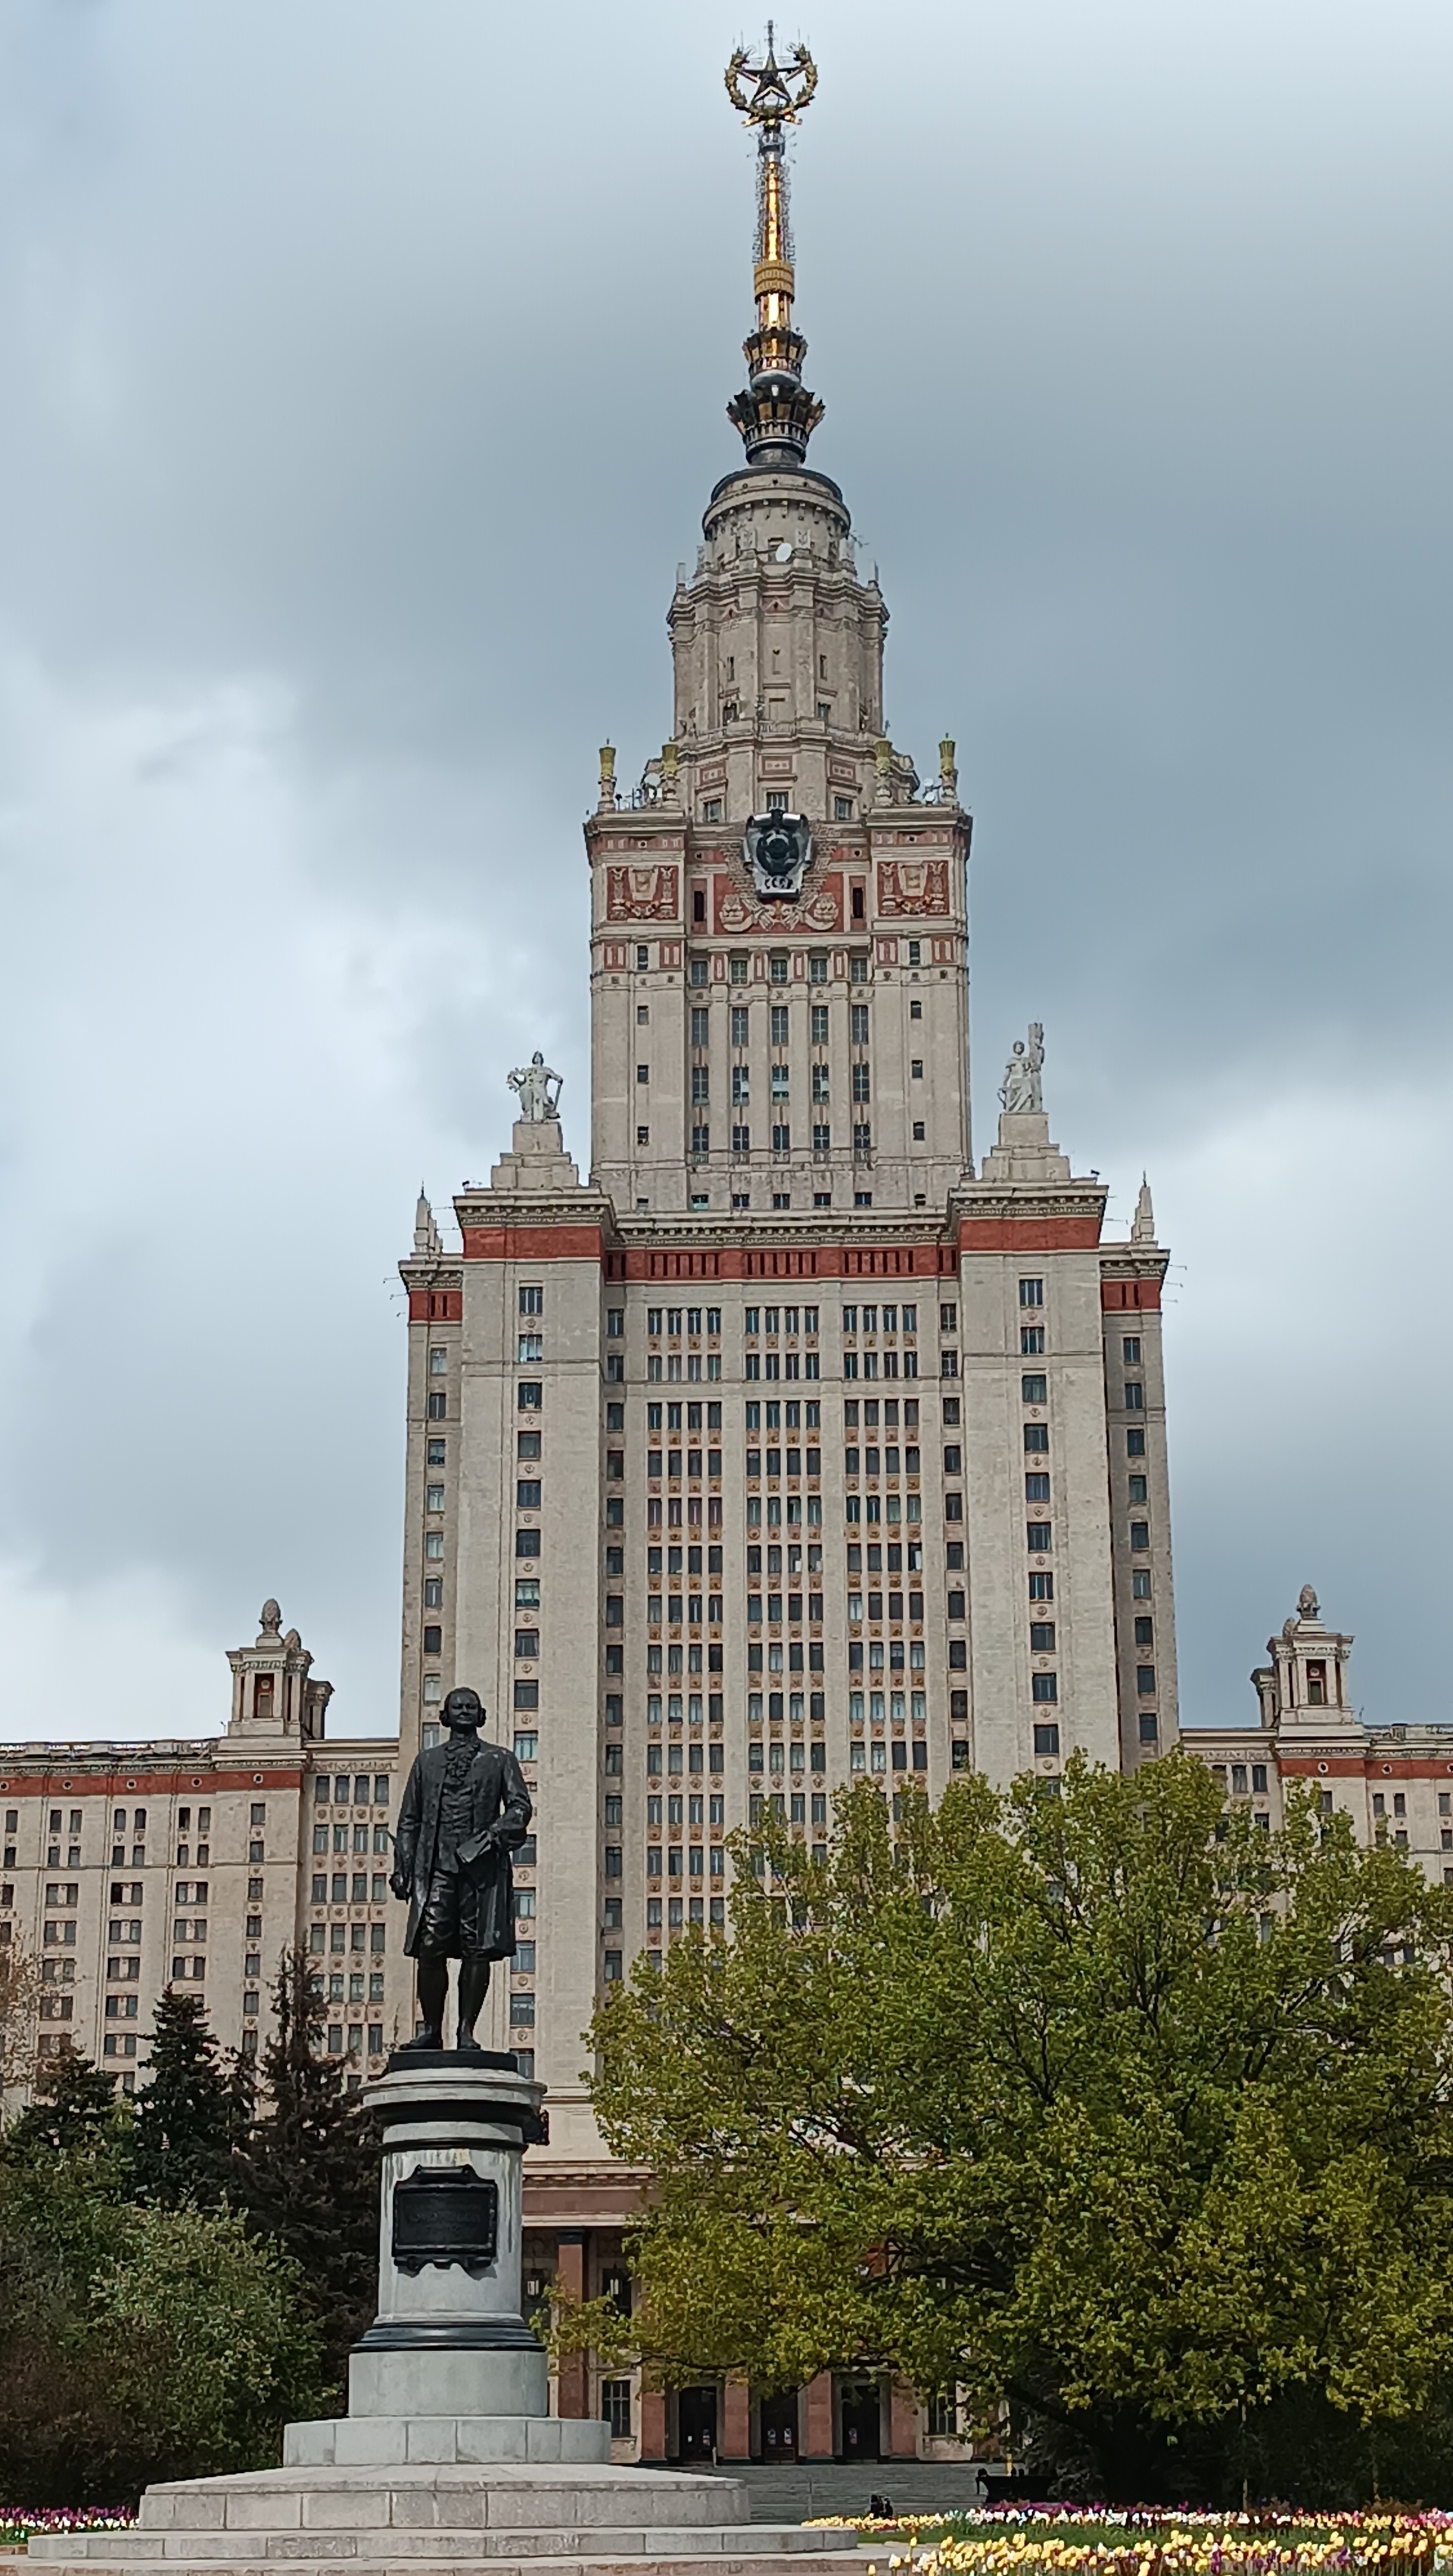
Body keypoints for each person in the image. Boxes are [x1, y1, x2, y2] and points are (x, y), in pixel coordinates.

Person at [390, 1685, 531, 2052]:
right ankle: (432, 2030)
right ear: (447, 1715)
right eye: (458, 1706)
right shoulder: (426, 1762)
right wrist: (403, 1867)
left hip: (481, 1872)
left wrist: (490, 1838)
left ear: (480, 1714)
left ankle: (466, 2031)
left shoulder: (500, 1759)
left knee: (477, 1949)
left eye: (471, 1706)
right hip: (436, 1868)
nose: (465, 1711)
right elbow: (410, 1819)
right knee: (430, 1947)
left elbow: (520, 1808)